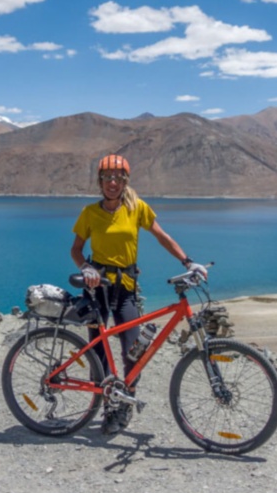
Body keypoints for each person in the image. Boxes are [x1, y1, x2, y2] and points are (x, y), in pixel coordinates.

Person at [70, 154, 208, 434]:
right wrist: (85, 267)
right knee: (97, 350)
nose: (112, 183)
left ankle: (124, 404)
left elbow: (162, 236)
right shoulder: (89, 213)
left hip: (125, 289)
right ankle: (108, 404)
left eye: (118, 178)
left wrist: (188, 261)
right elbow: (75, 250)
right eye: (107, 178)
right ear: (100, 182)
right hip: (97, 288)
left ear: (125, 182)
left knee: (134, 351)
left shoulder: (136, 208)